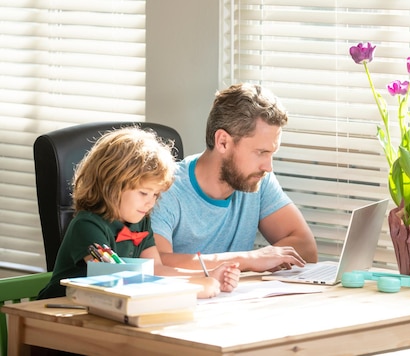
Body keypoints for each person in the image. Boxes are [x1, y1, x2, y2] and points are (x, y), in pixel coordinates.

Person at [38, 126, 240, 300]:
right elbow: (117, 280)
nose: (150, 202)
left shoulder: (141, 222)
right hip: (54, 316)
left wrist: (207, 276)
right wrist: (194, 287)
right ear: (112, 184)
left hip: (100, 312)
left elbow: (156, 270)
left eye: (156, 194)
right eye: (144, 192)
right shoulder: (87, 226)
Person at [151, 83, 318, 272]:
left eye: (272, 153)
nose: (268, 167)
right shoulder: (165, 189)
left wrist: (253, 261)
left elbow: (306, 247)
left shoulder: (258, 180)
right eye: (261, 152)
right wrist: (247, 260)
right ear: (223, 142)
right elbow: (156, 264)